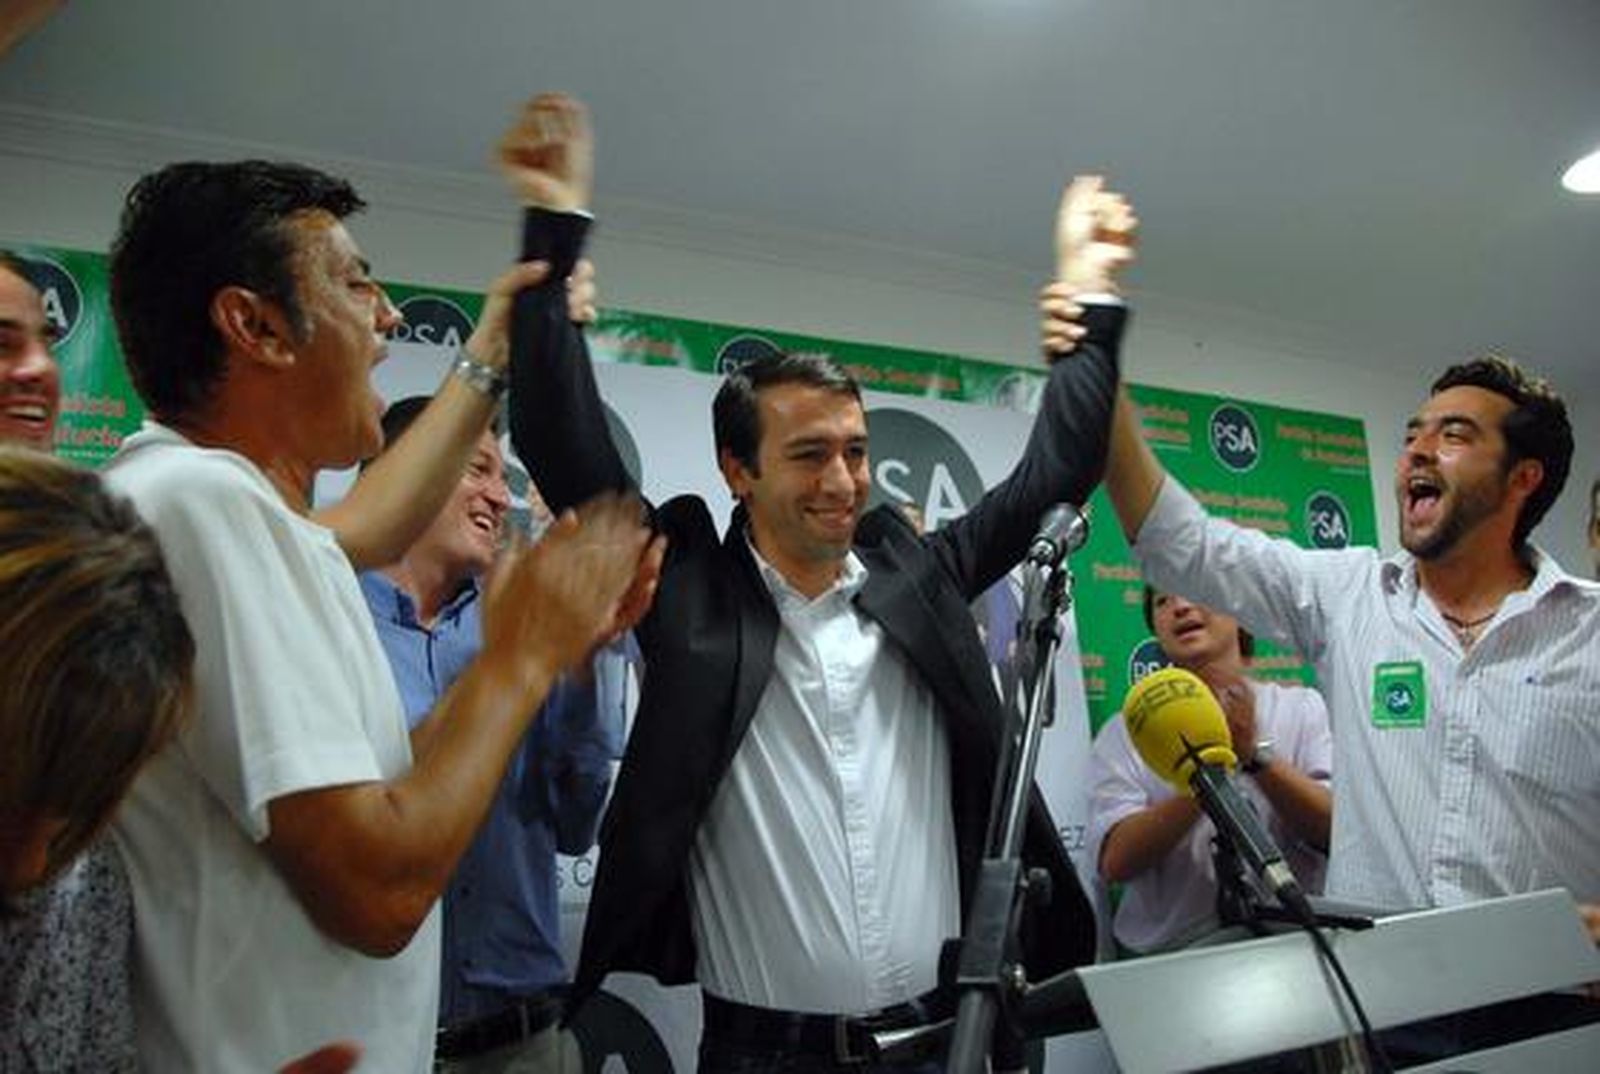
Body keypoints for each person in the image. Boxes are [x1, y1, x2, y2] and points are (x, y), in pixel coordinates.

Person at [500, 93, 1133, 1070]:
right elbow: (562, 445)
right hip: (761, 1053)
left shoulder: (920, 577)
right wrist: (552, 231)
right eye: (807, 456)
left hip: (941, 1040)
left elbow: (1055, 471)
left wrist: (1091, 303)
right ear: (737, 470)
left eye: (854, 451)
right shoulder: (689, 596)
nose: (840, 483)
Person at [100, 158, 661, 1072]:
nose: (389, 317)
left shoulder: (248, 520)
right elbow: (380, 891)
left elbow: (366, 524)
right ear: (256, 325)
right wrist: (519, 655)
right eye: (357, 283)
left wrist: (497, 345)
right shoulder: (197, 503)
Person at [1041, 263, 1600, 1054]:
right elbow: (1181, 542)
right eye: (1412, 433)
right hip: (1383, 1012)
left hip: (1558, 1012)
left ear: (1524, 479)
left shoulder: (1590, 631)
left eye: (1454, 434)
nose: (1417, 451)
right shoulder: (1349, 596)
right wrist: (1099, 367)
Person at [360, 396, 621, 1072]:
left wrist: (587, 665)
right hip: (371, 1035)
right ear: (403, 471)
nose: (500, 498)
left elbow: (575, 825)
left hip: (525, 1042)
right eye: (478, 470)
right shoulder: (328, 617)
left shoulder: (527, 622)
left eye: (502, 478)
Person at [1088, 587, 1332, 954]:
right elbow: (1115, 863)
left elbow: (1333, 831)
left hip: (1295, 949)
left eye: (1195, 589)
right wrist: (1204, 773)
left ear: (1241, 610)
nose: (1181, 606)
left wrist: (1253, 756)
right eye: (1162, 601)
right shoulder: (1124, 732)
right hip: (1173, 960)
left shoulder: (1301, 709)